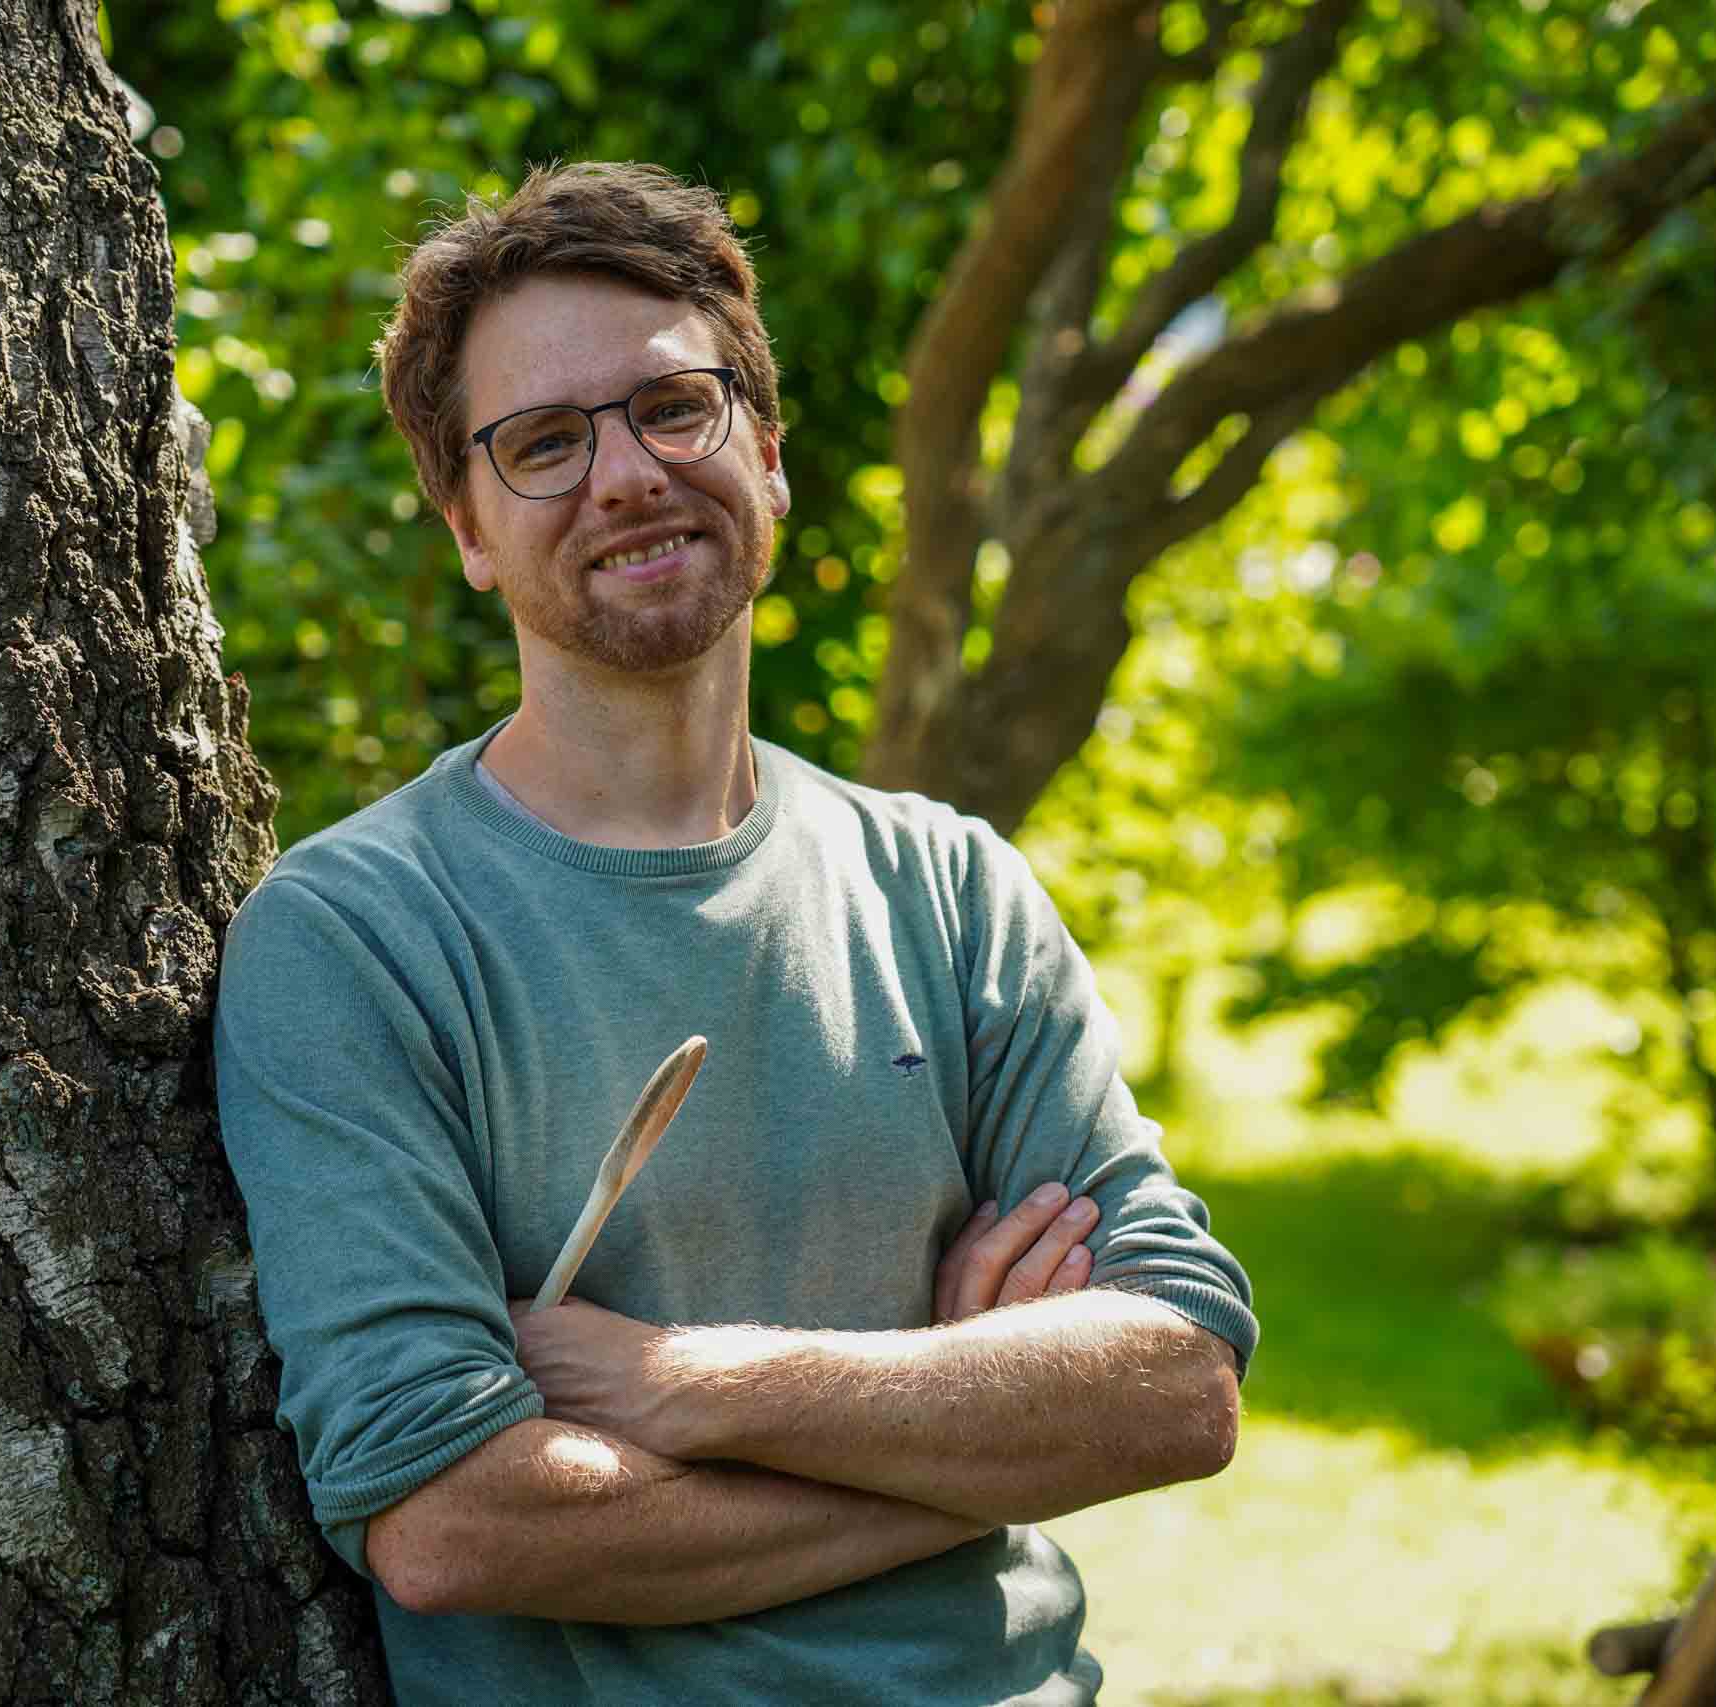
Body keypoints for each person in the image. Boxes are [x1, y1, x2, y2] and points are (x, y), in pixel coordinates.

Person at [214, 160, 1257, 1705]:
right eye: (544, 444)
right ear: (469, 532)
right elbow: (449, 1520)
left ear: (767, 457)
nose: (627, 475)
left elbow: (1174, 1385)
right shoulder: (355, 940)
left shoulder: (950, 893)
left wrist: (683, 1387)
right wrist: (967, 1430)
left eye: (672, 409)